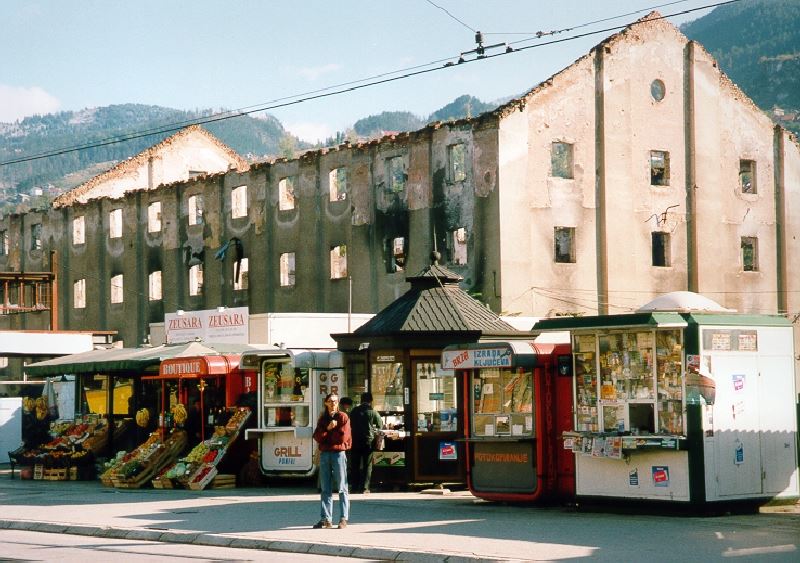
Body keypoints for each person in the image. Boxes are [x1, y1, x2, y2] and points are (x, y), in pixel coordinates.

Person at [312, 392, 351, 529]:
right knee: (325, 488)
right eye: (330, 401)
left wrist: (327, 435)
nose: (333, 403)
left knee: (342, 487)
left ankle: (343, 518)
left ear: (338, 403)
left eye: (335, 401)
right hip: (325, 454)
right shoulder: (323, 418)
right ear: (326, 403)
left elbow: (342, 438)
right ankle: (326, 519)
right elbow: (317, 436)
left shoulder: (343, 417)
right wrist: (328, 429)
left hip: (338, 454)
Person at [349, 391, 383, 494]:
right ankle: (365, 487)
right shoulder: (373, 412)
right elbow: (380, 426)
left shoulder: (354, 411)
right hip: (368, 441)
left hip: (354, 441)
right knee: (367, 465)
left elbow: (349, 424)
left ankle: (354, 487)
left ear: (361, 400)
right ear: (371, 401)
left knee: (355, 465)